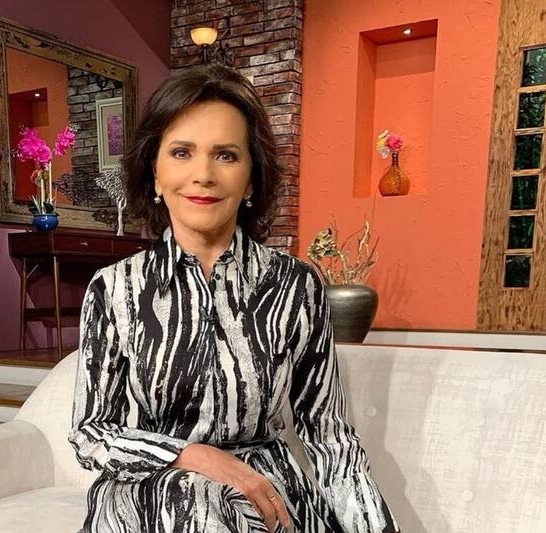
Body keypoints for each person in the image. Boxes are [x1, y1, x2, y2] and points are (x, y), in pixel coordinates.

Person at [68, 64, 398, 533]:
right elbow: (91, 433)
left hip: (263, 492)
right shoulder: (114, 288)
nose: (203, 174)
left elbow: (329, 437)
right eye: (181, 152)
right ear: (155, 173)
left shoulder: (295, 286)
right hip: (148, 491)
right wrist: (191, 455)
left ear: (251, 180)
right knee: (195, 499)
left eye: (225, 155)